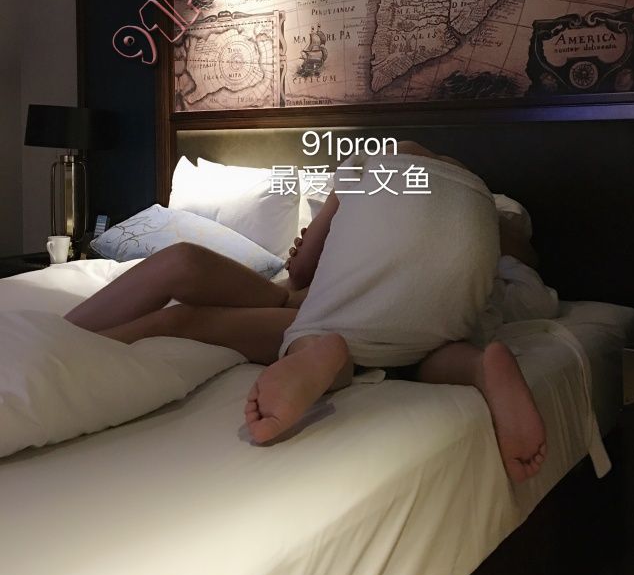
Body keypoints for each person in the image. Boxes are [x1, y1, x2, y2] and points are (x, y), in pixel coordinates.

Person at [65, 141, 550, 483]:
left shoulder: (367, 166)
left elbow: (298, 274)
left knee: (182, 302)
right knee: (432, 352)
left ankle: (60, 342)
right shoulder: (477, 200)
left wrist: (304, 254)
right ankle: (481, 368)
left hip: (329, 309)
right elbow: (521, 259)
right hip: (432, 313)